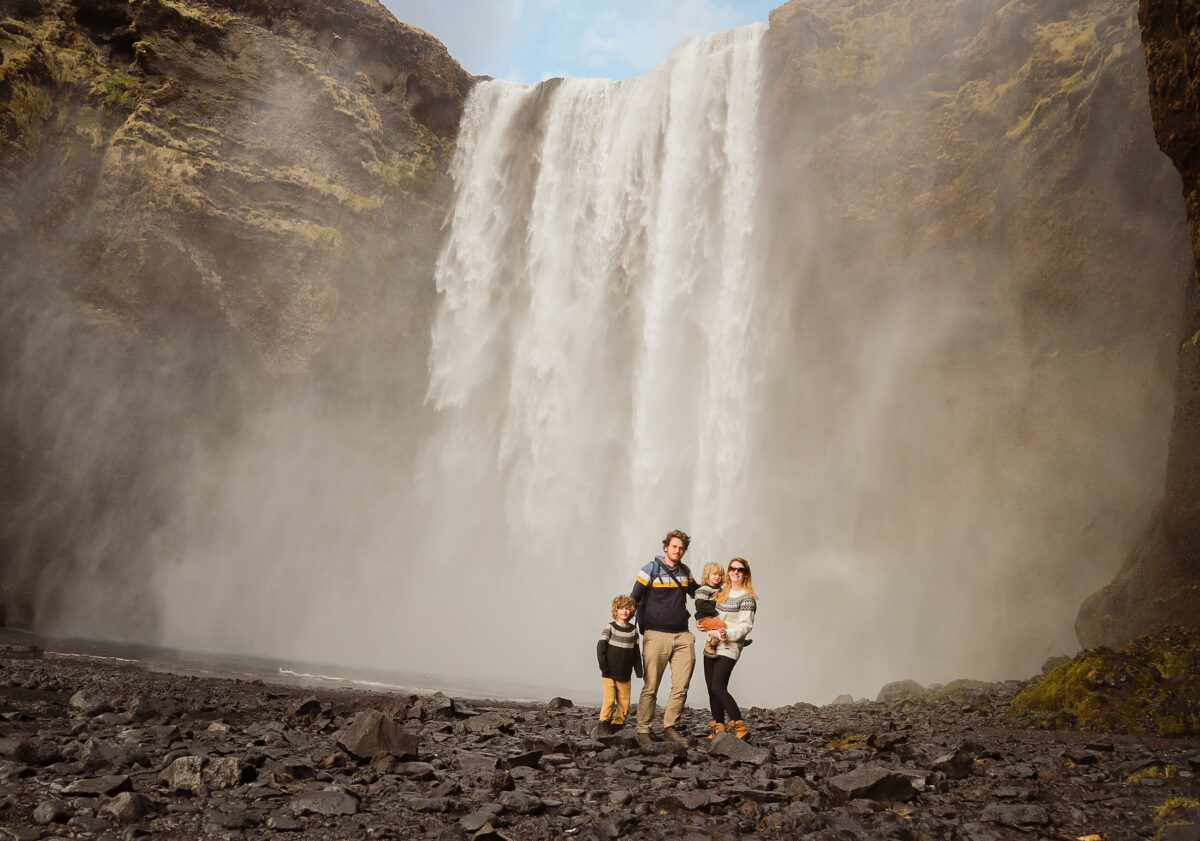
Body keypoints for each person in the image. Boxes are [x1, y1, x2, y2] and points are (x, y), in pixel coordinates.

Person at [630, 529, 697, 745]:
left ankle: (670, 727)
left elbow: (699, 594)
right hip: (656, 634)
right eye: (674, 546)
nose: (677, 550)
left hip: (682, 635)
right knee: (651, 686)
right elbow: (634, 599)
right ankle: (643, 730)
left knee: (681, 685)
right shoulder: (650, 569)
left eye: (681, 548)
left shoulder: (686, 572)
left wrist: (726, 588)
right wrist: (623, 629)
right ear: (666, 547)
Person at [702, 557, 757, 740]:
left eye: (740, 570)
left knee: (718, 686)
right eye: (732, 568)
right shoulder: (721, 594)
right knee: (711, 688)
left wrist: (724, 634)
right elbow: (710, 614)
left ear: (745, 574)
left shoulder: (748, 598)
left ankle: (739, 726)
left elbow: (745, 627)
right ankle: (719, 727)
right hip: (711, 645)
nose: (735, 572)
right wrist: (704, 625)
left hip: (730, 647)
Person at [596, 594, 643, 734]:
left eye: (628, 609)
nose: (624, 611)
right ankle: (603, 722)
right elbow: (600, 648)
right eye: (621, 608)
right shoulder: (610, 628)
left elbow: (636, 652)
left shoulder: (633, 631)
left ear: (632, 611)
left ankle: (618, 724)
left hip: (625, 673)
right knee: (609, 699)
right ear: (615, 610)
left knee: (624, 701)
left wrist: (638, 670)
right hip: (609, 672)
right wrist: (603, 666)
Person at [694, 562, 727, 657]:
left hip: (710, 617)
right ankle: (709, 647)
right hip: (704, 618)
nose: (717, 577)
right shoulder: (703, 589)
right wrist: (715, 613)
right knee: (722, 625)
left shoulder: (718, 589)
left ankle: (737, 639)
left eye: (720, 575)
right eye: (714, 574)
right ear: (707, 574)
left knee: (724, 625)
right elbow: (700, 604)